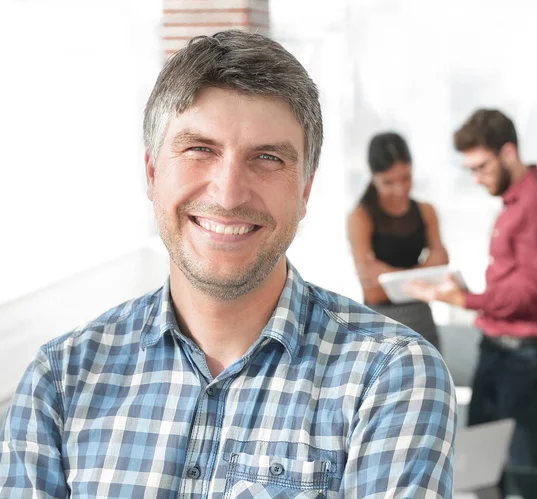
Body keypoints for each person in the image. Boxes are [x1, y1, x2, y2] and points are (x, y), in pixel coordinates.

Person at [0, 31, 456, 497]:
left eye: (267, 157)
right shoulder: (61, 379)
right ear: (153, 173)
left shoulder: (389, 376)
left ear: (304, 192)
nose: (229, 192)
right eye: (200, 149)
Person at [407, 109, 537, 499]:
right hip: (499, 353)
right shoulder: (516, 203)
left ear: (508, 152)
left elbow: (534, 293)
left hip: (523, 360)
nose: (477, 179)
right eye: (471, 170)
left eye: (482, 167)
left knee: (521, 475)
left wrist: (463, 299)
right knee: (481, 470)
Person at [347, 132, 449, 352]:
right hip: (380, 328)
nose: (400, 190)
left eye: (406, 178)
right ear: (373, 177)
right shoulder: (360, 217)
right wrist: (423, 276)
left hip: (423, 324)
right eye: (388, 182)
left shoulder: (425, 211)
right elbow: (373, 292)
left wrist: (388, 277)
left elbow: (442, 268)